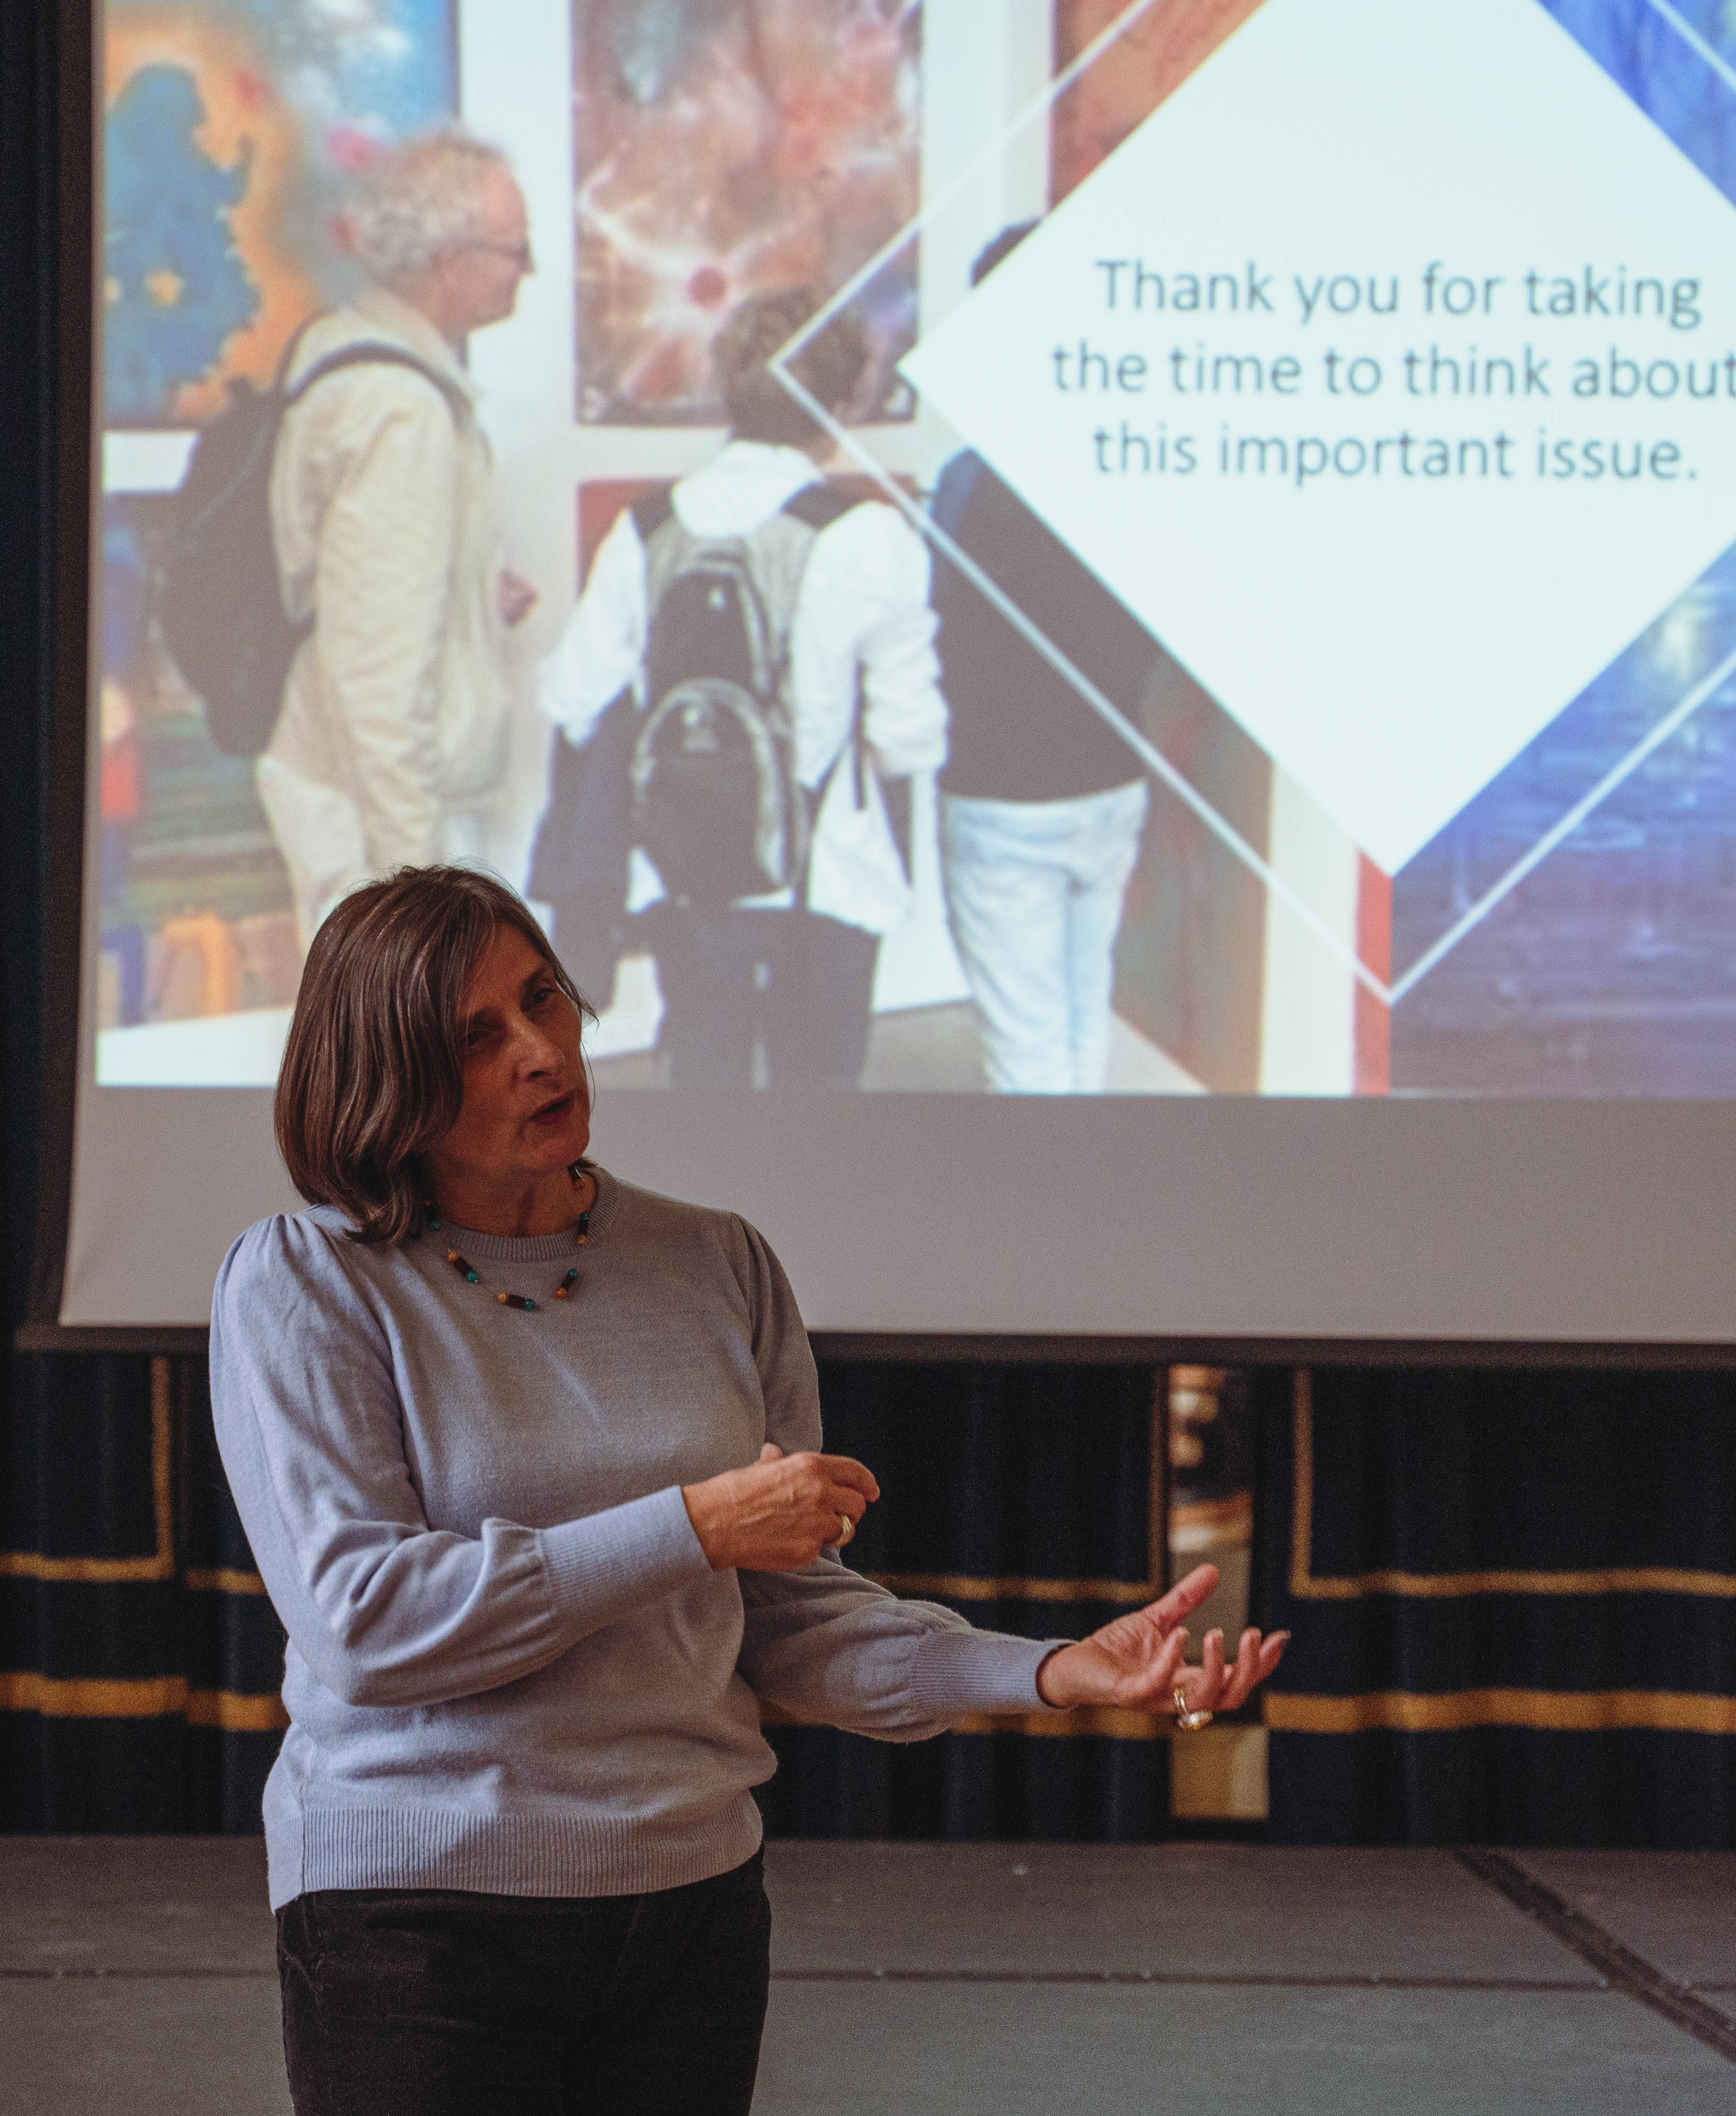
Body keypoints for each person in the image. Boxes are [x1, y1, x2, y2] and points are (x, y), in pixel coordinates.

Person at [211, 866, 1285, 2116]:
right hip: (416, 1915)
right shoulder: (306, 1280)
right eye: (476, 1036)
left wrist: (1049, 1668)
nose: (543, 1050)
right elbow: (366, 1621)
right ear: (386, 1074)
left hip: (691, 1908)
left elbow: (790, 1620)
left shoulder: (715, 1258)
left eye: (545, 997)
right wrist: (695, 1524)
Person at [535, 287, 942, 1089]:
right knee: (815, 1106)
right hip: (830, 873)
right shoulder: (870, 535)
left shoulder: (646, 526)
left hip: (685, 869)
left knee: (704, 1092)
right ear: (842, 394)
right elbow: (907, 739)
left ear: (732, 386)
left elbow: (574, 698)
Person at [257, 128, 542, 944]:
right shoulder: (401, 410)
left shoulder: (342, 351)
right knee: (403, 1068)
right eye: (515, 250)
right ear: (448, 262)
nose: (527, 270)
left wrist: (468, 595)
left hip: (362, 805)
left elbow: (359, 591)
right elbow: (377, 675)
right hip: (388, 827)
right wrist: (414, 889)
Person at [930, 223, 1166, 1093]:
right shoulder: (1137, 463)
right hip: (1111, 781)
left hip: (1003, 795)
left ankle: (1047, 1216)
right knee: (1080, 1015)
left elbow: (934, 623)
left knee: (1024, 1043)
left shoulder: (970, 483)